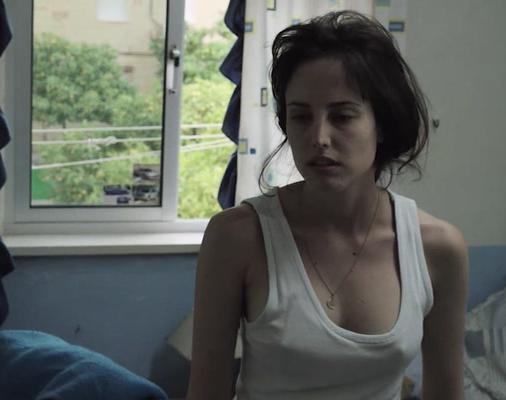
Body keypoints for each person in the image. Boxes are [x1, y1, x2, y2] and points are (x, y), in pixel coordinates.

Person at [187, 10, 468, 400]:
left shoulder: (436, 248)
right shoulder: (238, 237)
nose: (319, 137)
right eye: (301, 117)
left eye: (342, 116)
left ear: (381, 123)